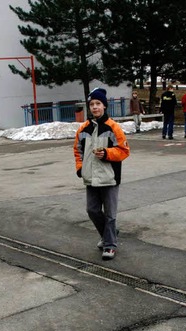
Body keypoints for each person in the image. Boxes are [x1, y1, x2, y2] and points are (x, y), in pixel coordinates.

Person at [73, 88, 130, 261]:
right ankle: (109, 235)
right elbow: (78, 150)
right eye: (92, 104)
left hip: (109, 177)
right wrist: (80, 167)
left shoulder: (113, 128)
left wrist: (107, 154)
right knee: (92, 210)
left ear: (104, 105)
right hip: (90, 178)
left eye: (98, 104)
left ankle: (110, 245)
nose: (95, 107)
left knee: (111, 214)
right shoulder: (83, 129)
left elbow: (124, 151)